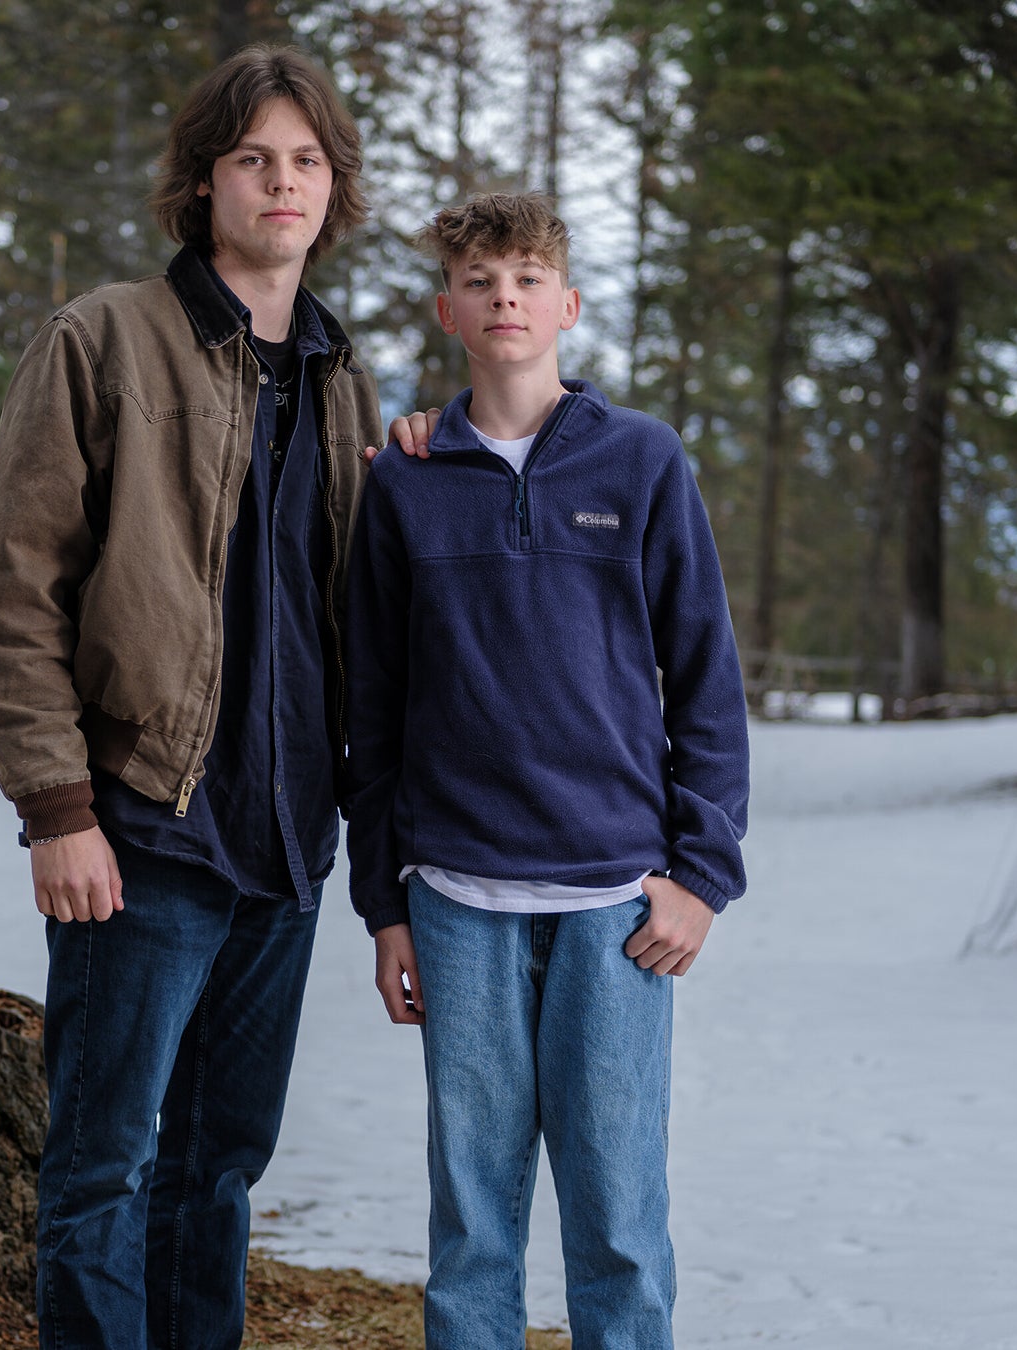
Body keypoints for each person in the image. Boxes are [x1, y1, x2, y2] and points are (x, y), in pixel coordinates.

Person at [0, 45, 413, 1350]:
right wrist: (57, 806)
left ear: (334, 189)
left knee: (216, 1172)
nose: (282, 183)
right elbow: (12, 587)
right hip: (141, 835)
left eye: (307, 162)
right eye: (254, 159)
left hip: (283, 850)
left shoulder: (339, 375)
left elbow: (364, 614)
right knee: (103, 1167)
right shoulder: (102, 337)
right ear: (202, 181)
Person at [342, 192, 752, 1350]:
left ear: (566, 305)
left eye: (526, 276)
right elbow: (371, 710)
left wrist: (699, 875)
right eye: (480, 280)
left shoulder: (643, 461)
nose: (504, 296)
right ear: (449, 312)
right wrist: (387, 906)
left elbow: (708, 683)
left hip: (617, 904)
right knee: (472, 1229)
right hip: (458, 898)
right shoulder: (406, 481)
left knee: (619, 1221)